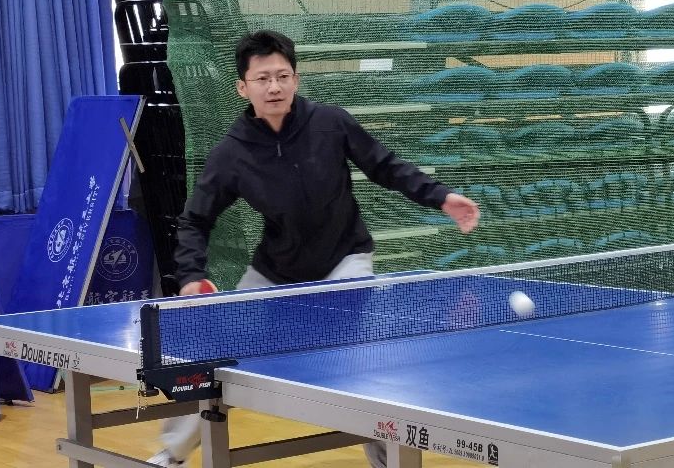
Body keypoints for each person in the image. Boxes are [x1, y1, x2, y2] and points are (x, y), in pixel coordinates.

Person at [149, 30, 481, 468]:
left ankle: (388, 458)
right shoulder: (231, 154)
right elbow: (195, 220)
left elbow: (385, 165)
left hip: (344, 260)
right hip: (275, 271)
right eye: (262, 78)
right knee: (216, 353)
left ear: (296, 79)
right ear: (243, 87)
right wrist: (192, 276)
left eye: (282, 76)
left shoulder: (330, 123)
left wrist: (441, 197)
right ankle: (172, 452)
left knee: (362, 356)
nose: (274, 87)